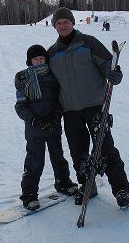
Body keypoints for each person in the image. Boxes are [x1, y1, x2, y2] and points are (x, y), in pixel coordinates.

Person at [47, 7, 129, 209]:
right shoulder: (52, 52)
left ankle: (120, 190)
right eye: (59, 23)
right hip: (70, 111)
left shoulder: (89, 42)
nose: (63, 25)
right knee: (78, 153)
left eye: (66, 22)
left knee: (105, 148)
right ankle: (87, 185)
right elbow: (50, 83)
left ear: (73, 23)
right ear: (55, 26)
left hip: (94, 107)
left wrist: (114, 74)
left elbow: (108, 65)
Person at [14, 44, 78, 211]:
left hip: (53, 124)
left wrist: (57, 114)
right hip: (34, 127)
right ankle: (29, 194)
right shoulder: (23, 79)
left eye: (42, 58)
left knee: (58, 156)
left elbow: (59, 99)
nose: (39, 61)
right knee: (35, 161)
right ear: (30, 61)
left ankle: (62, 182)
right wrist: (33, 120)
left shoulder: (53, 77)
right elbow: (20, 106)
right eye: (36, 59)